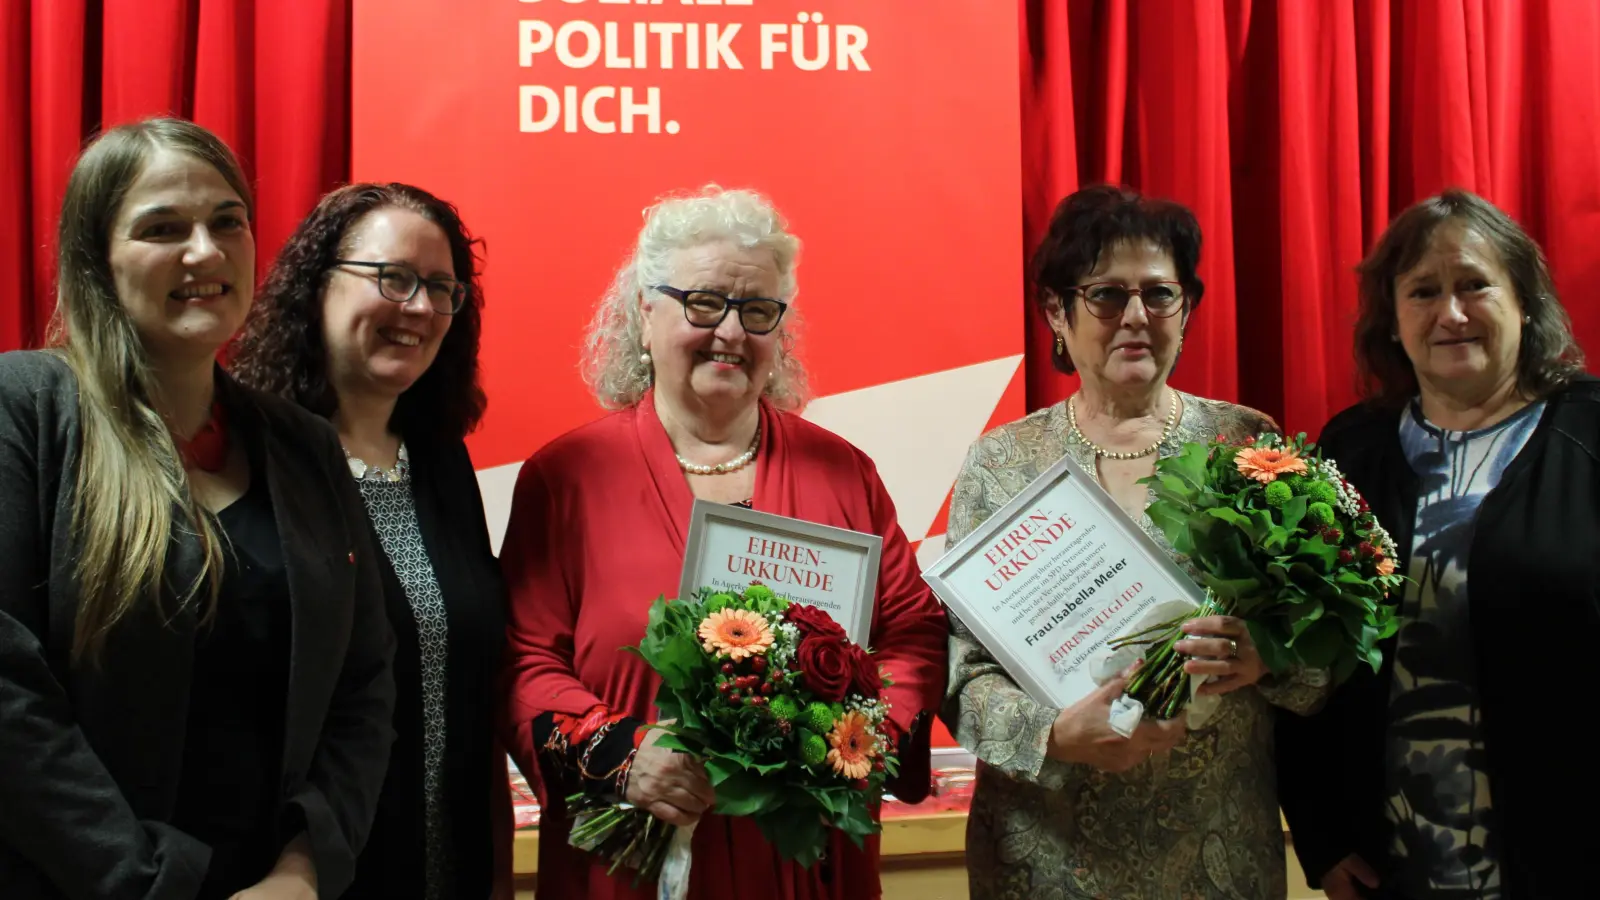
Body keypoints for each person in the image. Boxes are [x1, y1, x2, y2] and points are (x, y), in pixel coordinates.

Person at [499, 185, 949, 900]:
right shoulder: (566, 479)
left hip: (801, 860)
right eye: (704, 303)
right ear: (645, 314)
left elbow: (914, 633)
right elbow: (521, 656)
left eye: (758, 311)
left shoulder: (844, 474)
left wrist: (854, 743)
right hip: (628, 857)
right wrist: (625, 755)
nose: (732, 333)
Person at [0, 117, 394, 899]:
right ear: (96, 259)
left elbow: (364, 682)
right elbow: (8, 694)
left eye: (227, 221)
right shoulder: (25, 409)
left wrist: (304, 866)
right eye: (163, 228)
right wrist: (155, 883)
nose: (205, 253)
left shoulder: (303, 446)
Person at [941, 184, 1328, 899]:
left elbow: (1324, 651)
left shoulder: (1250, 444)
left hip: (1216, 854)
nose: (1136, 318)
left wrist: (1266, 654)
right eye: (1106, 296)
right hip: (1044, 857)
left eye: (1160, 294)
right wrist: (1054, 733)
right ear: (1056, 312)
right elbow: (961, 677)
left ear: (1188, 308)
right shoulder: (1001, 465)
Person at [1277, 189, 1597, 900]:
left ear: (1525, 300)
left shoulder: (1590, 433)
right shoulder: (1348, 452)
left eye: (1474, 285)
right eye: (1423, 291)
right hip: (1397, 867)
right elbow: (1303, 662)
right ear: (1392, 318)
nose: (1450, 313)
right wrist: (1324, 834)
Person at [230, 182, 512, 900]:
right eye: (393, 278)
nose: (419, 308)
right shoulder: (247, 460)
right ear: (315, 285)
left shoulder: (442, 461)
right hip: (299, 874)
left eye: (442, 288)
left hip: (452, 866)